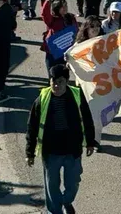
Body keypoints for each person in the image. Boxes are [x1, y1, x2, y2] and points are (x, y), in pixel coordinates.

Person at [25, 63, 98, 214]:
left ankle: (66, 202)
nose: (56, 86)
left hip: (72, 149)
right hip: (51, 151)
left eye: (60, 82)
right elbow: (32, 127)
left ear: (66, 81)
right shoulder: (41, 100)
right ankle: (55, 211)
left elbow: (87, 119)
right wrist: (29, 153)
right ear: (50, 81)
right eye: (54, 82)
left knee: (73, 182)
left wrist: (90, 142)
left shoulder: (77, 96)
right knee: (52, 185)